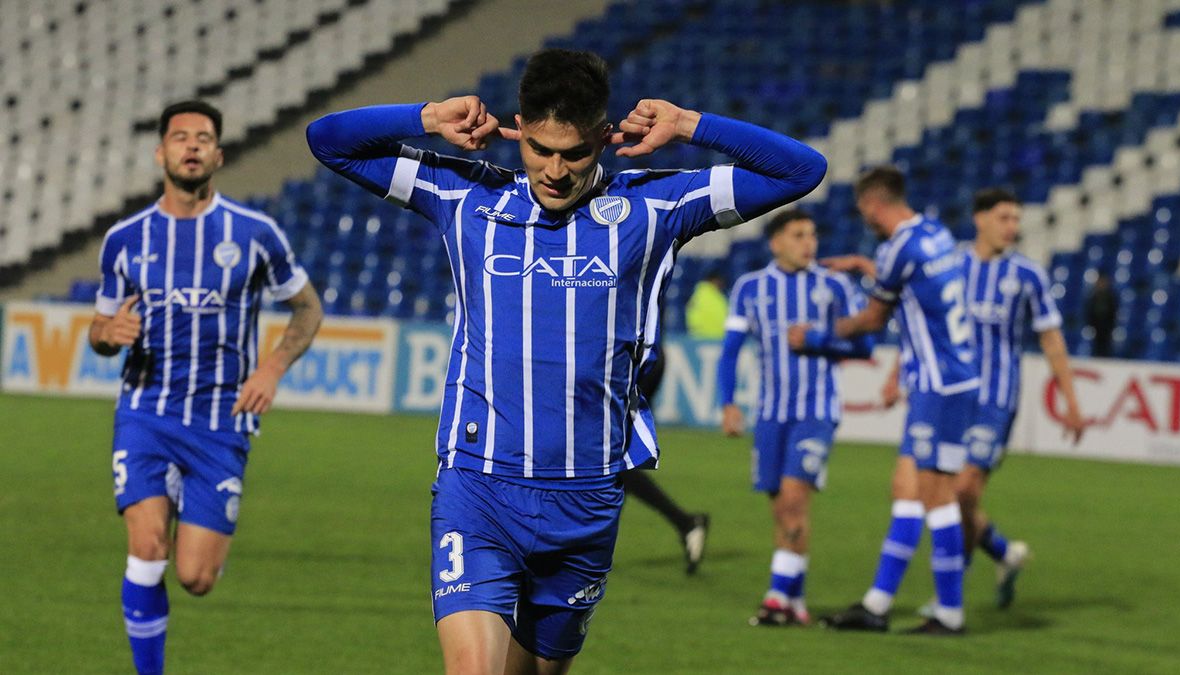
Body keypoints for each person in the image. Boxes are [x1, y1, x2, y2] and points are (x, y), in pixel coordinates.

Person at [307, 48, 826, 674]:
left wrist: (690, 125)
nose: (555, 170)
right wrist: (426, 115)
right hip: (479, 488)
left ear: (605, 140)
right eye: (540, 149)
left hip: (586, 501)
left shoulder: (653, 207)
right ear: (518, 129)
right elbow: (328, 141)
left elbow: (800, 171)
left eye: (575, 153)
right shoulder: (466, 196)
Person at [89, 100, 323, 674]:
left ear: (217, 154)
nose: (190, 146)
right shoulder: (125, 239)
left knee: (195, 578)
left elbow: (308, 308)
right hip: (146, 410)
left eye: (202, 138)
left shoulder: (254, 234)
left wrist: (270, 369)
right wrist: (107, 332)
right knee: (146, 549)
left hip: (222, 421)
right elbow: (98, 330)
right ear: (161, 152)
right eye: (179, 137)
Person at [799, 166, 978, 635]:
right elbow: (913, 286)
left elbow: (874, 320)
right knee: (907, 489)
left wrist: (816, 335)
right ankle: (877, 605)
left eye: (865, 212)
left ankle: (950, 612)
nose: (866, 220)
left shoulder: (898, 247)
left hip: (936, 385)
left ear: (876, 204)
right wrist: (864, 266)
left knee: (936, 496)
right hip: (959, 379)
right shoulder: (935, 233)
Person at [884, 188, 1082, 614]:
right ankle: (1004, 554)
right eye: (1004, 218)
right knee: (949, 494)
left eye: (1016, 219)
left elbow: (1050, 338)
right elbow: (922, 323)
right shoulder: (950, 262)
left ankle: (948, 595)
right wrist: (895, 372)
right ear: (980, 219)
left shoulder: (1027, 275)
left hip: (996, 400)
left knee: (962, 489)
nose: (1012, 227)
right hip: (952, 395)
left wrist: (1071, 401)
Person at [717, 209, 874, 626]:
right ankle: (797, 603)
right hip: (770, 415)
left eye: (812, 234)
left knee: (792, 500)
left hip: (816, 411)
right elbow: (731, 350)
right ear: (776, 243)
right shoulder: (750, 288)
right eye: (799, 235)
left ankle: (775, 598)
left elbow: (865, 348)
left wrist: (819, 341)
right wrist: (728, 402)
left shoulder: (835, 286)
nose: (810, 243)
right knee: (784, 512)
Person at [625, 347, 711, 575]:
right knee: (616, 458)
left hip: (630, 359)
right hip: (642, 356)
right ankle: (596, 544)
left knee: (614, 459)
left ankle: (686, 523)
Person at [685, 268, 728, 338]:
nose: (722, 284)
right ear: (714, 280)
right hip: (709, 337)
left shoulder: (699, 294)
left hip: (704, 337)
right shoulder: (709, 295)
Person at [1085, 272, 1116, 357]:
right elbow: (1088, 312)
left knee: (1106, 348)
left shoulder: (1111, 297)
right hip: (1096, 328)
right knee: (1096, 348)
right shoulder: (1093, 297)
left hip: (1107, 329)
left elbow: (1114, 313)